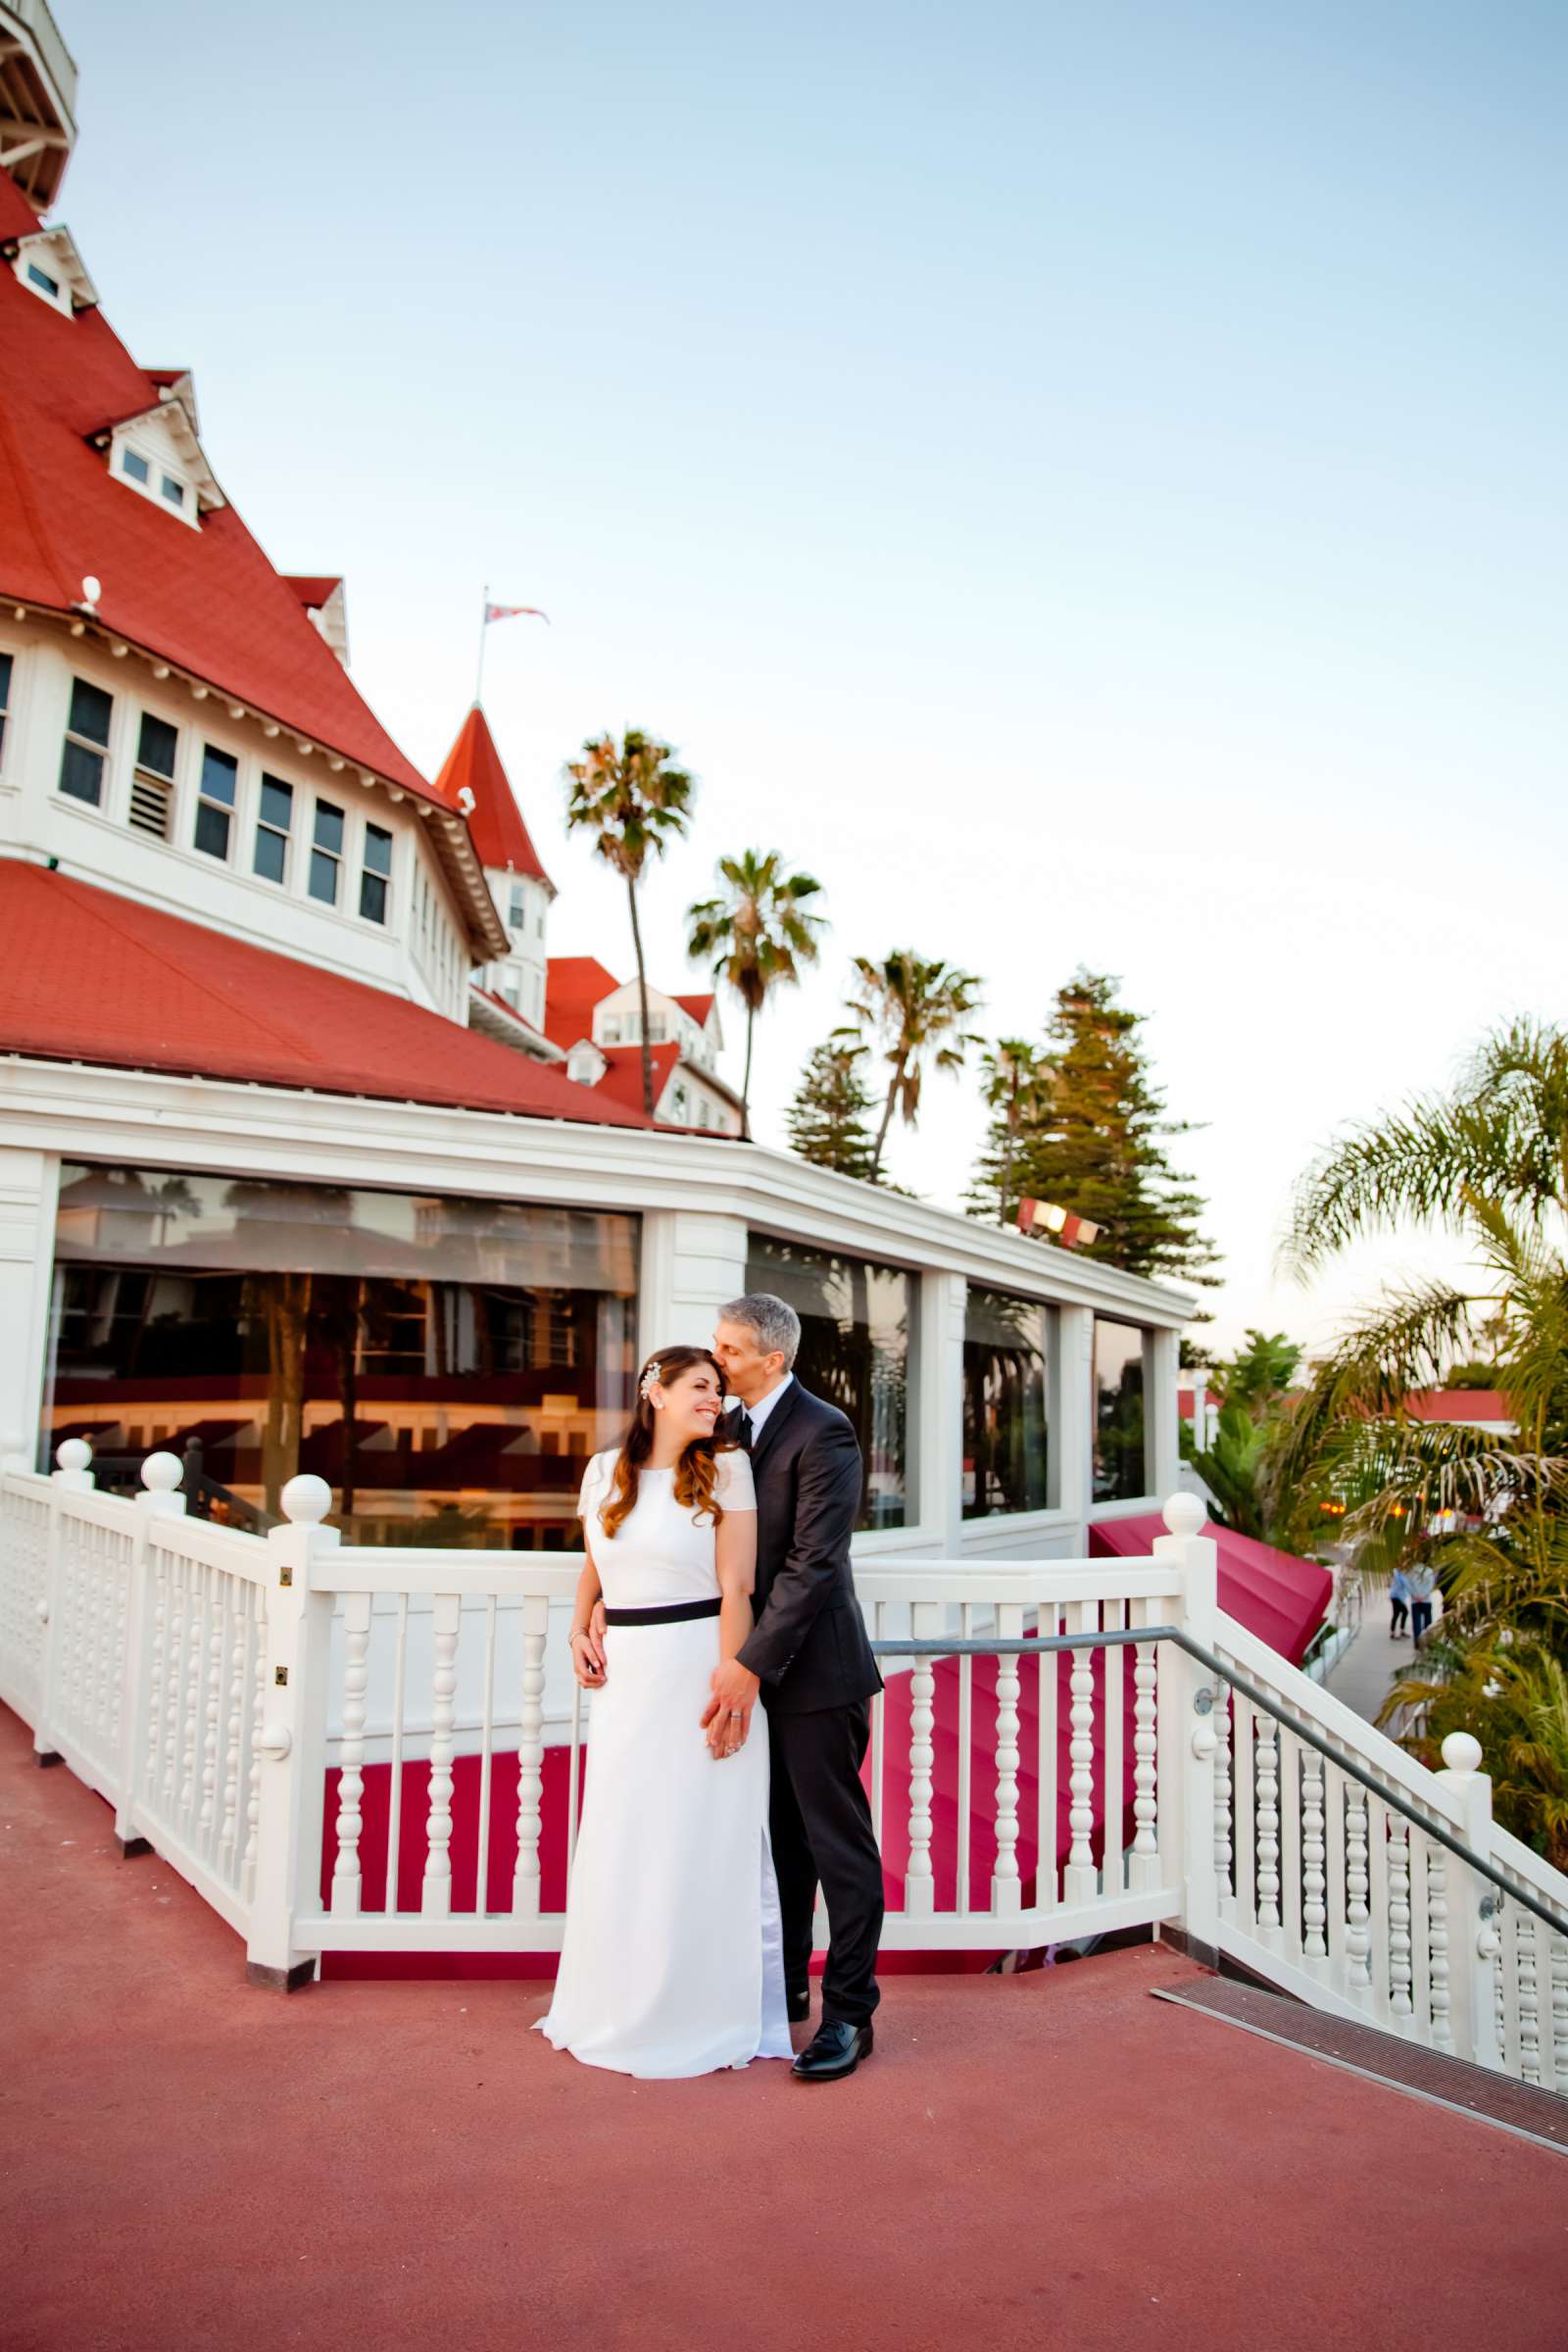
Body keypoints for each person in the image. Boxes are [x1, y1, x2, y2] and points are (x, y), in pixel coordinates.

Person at [534, 1344, 793, 2079]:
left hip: (697, 1670)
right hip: (626, 1682)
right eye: (702, 1387)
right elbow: (595, 1562)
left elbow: (736, 1587)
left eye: (719, 1389)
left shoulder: (728, 1469)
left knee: (699, 1838)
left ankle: (700, 2009)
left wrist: (733, 1688)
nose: (717, 1400)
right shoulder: (602, 1472)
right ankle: (612, 2001)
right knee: (625, 1835)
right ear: (656, 1392)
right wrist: (579, 1626)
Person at [706, 1292, 886, 2082]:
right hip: (756, 1674)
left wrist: (748, 1663)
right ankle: (784, 1992)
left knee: (835, 1847)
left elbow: (814, 1565)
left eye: (730, 1351)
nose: (717, 1362)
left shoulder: (825, 1430)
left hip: (815, 1676)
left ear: (772, 1360)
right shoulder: (725, 1428)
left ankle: (850, 2012)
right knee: (775, 1845)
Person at [1406, 1561, 1437, 1644]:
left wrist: (1415, 1595)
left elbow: (1408, 1585)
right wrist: (1423, 1596)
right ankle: (1427, 1642)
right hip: (1426, 1601)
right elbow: (1431, 1586)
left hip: (1415, 1601)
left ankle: (1417, 1642)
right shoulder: (1429, 1571)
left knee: (1416, 1623)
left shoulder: (1411, 1571)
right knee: (1428, 1622)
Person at [1389, 1564, 1410, 1639]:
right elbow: (1404, 1583)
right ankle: (1393, 1633)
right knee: (1398, 1614)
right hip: (1395, 1597)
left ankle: (1400, 1631)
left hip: (1398, 1597)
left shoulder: (1401, 1574)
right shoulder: (1397, 1573)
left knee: (1403, 1612)